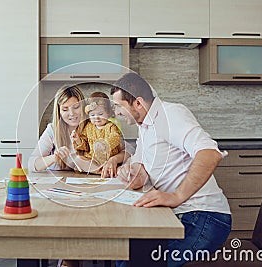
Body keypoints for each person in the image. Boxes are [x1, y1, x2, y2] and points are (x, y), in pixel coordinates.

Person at [111, 73, 232, 267]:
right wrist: (130, 171)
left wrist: (176, 196)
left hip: (203, 217)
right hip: (175, 215)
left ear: (138, 104)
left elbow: (210, 153)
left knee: (137, 262)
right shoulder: (145, 125)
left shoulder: (171, 114)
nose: (116, 113)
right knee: (125, 254)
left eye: (118, 106)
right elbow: (141, 170)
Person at [70, 92, 122, 173]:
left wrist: (104, 144)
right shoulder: (88, 127)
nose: (97, 117)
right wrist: (78, 140)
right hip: (92, 159)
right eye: (92, 115)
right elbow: (86, 146)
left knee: (119, 166)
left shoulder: (111, 126)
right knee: (79, 159)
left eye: (100, 114)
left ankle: (105, 170)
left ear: (108, 113)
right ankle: (100, 171)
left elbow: (116, 137)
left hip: (108, 158)